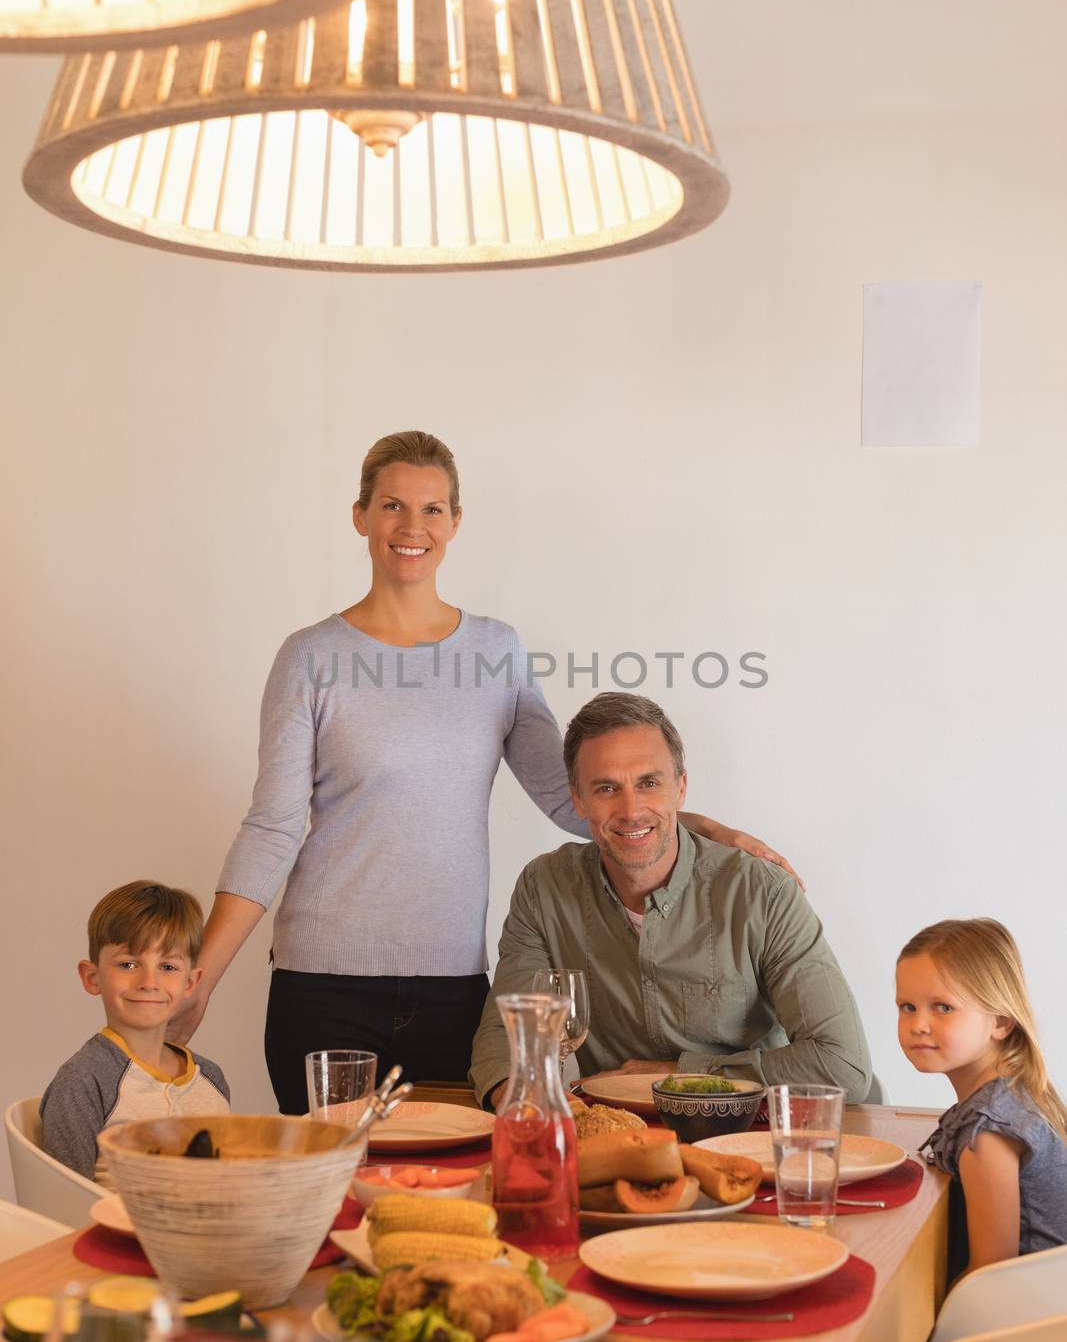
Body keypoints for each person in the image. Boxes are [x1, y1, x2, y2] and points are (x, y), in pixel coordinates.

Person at [169, 431, 800, 1111]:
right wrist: (200, 976)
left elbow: (573, 801)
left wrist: (706, 831)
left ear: (455, 523)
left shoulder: (495, 653)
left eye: (432, 509)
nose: (412, 527)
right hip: (323, 985)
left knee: (448, 1192)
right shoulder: (311, 658)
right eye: (391, 506)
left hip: (453, 989)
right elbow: (273, 826)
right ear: (360, 517)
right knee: (330, 1197)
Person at [470, 692, 870, 1107]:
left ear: (680, 788)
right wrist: (522, 1103)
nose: (631, 809)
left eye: (649, 783)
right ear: (577, 799)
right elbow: (506, 1034)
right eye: (606, 788)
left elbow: (843, 1065)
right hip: (616, 1140)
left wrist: (682, 1074)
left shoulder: (762, 892)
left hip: (747, 1134)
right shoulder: (545, 888)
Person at [896, 918, 1067, 1278]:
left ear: (1001, 1022)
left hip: (1019, 1318)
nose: (918, 1024)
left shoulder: (988, 1131)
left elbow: (990, 1274)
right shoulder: (1016, 1091)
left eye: (942, 1007)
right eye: (907, 1006)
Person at [40, 881, 230, 1186]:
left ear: (190, 984)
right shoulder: (81, 1082)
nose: (149, 981)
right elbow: (65, 1203)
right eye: (128, 964)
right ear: (92, 977)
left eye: (168, 967)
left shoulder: (211, 1079)